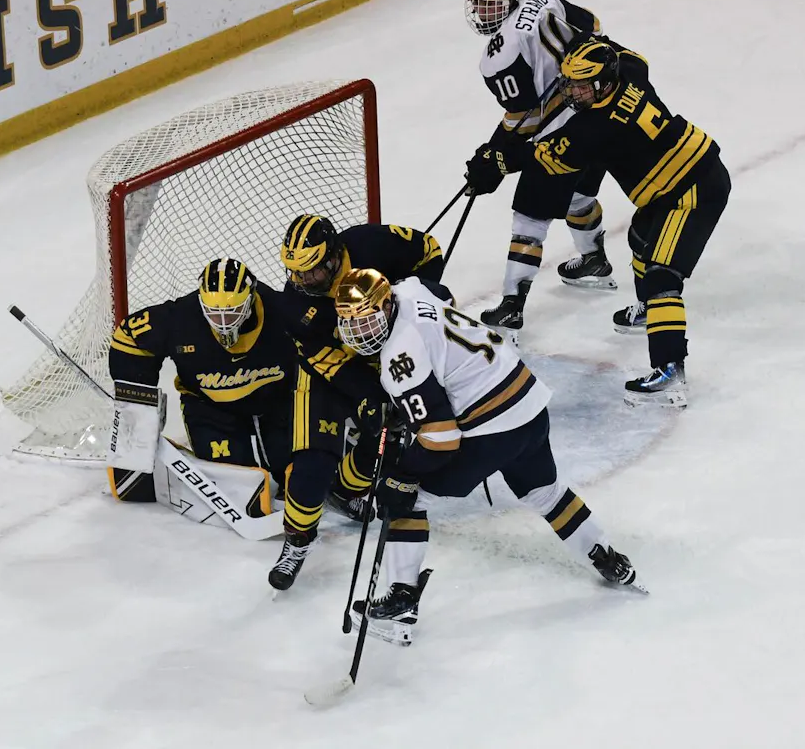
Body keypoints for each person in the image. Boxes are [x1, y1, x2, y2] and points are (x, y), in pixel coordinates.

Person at [332, 268, 641, 644]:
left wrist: (403, 474)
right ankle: (606, 556)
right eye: (351, 322)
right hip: (527, 402)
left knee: (405, 499)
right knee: (544, 492)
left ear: (385, 306)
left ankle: (401, 601)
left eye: (367, 319)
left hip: (490, 430)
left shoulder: (400, 356)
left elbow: (442, 438)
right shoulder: (408, 289)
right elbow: (442, 294)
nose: (360, 331)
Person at [526, 35, 731, 406]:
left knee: (662, 276)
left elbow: (545, 157)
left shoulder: (593, 129)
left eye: (581, 85)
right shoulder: (631, 71)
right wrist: (592, 42)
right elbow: (623, 53)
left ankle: (669, 369)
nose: (572, 91)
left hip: (692, 192)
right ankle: (648, 312)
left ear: (603, 83)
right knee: (640, 239)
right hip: (677, 182)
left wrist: (496, 160)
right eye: (570, 82)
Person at [259, 214, 449, 590]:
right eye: (295, 271)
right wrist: (368, 395)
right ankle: (297, 539)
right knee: (312, 462)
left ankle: (345, 491)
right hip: (328, 374)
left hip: (385, 356)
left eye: (312, 270)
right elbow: (327, 363)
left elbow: (429, 250)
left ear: (333, 257)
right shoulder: (295, 305)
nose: (302, 280)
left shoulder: (371, 245)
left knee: (383, 439)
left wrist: (416, 298)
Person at [458, 0, 618, 332]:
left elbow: (525, 119)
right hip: (600, 116)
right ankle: (593, 260)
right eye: (476, 2)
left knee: (528, 219)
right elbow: (594, 27)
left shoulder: (498, 56)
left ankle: (511, 306)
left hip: (561, 136)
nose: (481, 11)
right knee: (578, 194)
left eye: (489, 3)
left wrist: (496, 151)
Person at [106, 258, 296, 517]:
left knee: (299, 468)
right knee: (236, 479)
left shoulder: (282, 312)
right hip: (210, 408)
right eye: (214, 313)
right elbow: (128, 336)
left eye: (232, 312)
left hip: (276, 403)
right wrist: (138, 404)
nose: (223, 322)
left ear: (251, 300)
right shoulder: (180, 317)